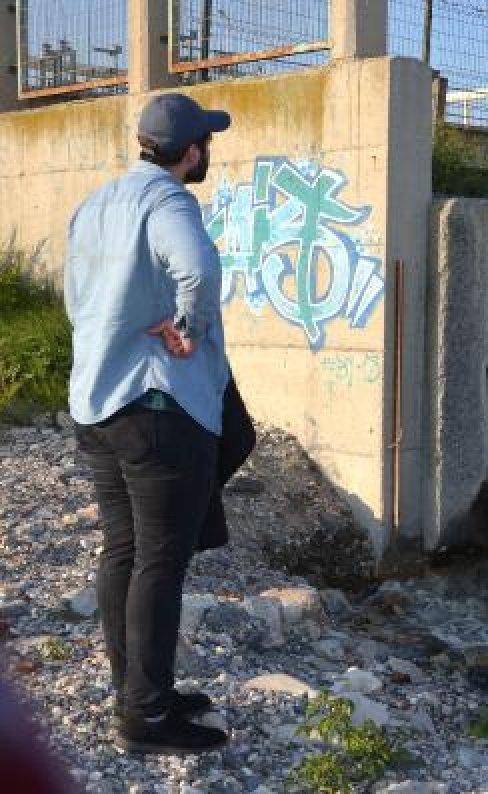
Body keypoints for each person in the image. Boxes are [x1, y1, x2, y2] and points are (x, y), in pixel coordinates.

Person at [64, 93, 232, 755]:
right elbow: (199, 268)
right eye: (206, 144)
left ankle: (137, 691)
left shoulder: (96, 204)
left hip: (99, 405)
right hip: (158, 408)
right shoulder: (168, 202)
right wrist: (185, 328)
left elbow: (75, 298)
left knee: (124, 553)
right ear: (191, 152)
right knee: (160, 563)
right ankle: (148, 718)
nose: (207, 153)